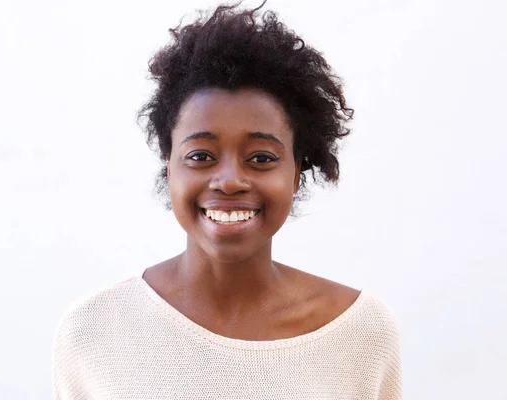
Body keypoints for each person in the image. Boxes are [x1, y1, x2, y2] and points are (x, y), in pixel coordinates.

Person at [52, 2, 403, 399]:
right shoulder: (93, 331)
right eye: (200, 156)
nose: (230, 181)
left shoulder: (360, 332)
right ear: (169, 166)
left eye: (261, 158)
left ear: (296, 172)